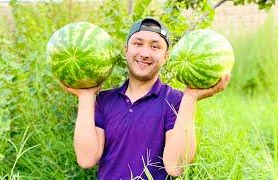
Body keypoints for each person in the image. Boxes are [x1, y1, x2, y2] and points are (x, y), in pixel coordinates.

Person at [61, 18, 231, 180]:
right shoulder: (104, 100)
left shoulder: (176, 101)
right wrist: (85, 96)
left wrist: (191, 97)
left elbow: (176, 167)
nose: (145, 53)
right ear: (125, 49)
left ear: (166, 56)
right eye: (138, 43)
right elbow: (86, 159)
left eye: (155, 47)